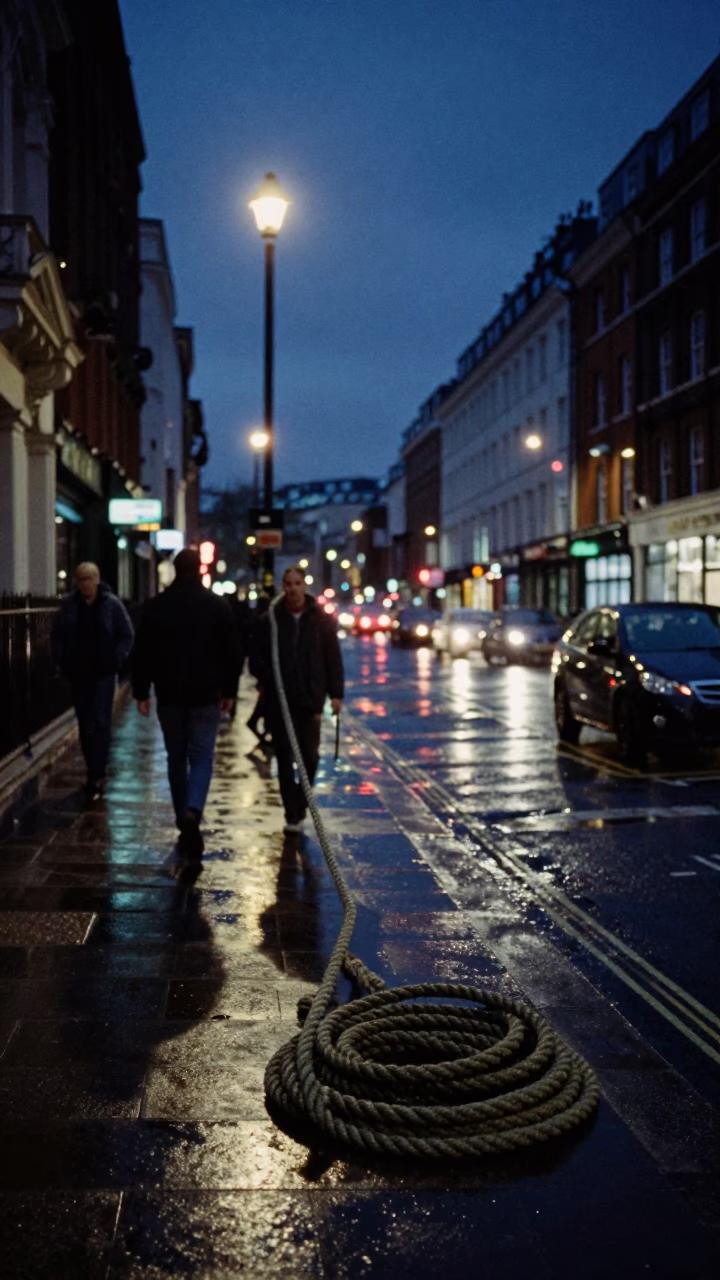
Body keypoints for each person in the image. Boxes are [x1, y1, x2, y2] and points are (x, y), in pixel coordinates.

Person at [131, 548, 241, 859]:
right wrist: (229, 691)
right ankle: (194, 808)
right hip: (206, 695)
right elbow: (232, 653)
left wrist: (141, 692)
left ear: (175, 570)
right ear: (200, 568)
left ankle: (183, 818)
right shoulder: (217, 606)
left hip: (170, 695)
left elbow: (143, 653)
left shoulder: (156, 607)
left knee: (175, 758)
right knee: (203, 756)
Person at [251, 564, 344, 834]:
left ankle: (301, 803)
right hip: (279, 701)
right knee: (283, 757)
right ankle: (291, 812)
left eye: (297, 583)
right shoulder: (270, 620)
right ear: (283, 587)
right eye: (288, 584)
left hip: (309, 699)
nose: (292, 589)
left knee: (310, 757)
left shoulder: (321, 621)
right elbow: (256, 654)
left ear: (305, 586)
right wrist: (265, 679)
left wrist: (336, 694)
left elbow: (332, 659)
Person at [51, 562, 134, 800]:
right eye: (80, 579)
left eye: (88, 578)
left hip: (103, 674)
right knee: (85, 725)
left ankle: (96, 774)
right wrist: (61, 661)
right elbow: (57, 635)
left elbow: (126, 635)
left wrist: (115, 659)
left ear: (97, 579)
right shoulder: (69, 605)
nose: (84, 583)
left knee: (100, 721)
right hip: (79, 674)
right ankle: (93, 769)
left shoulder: (111, 604)